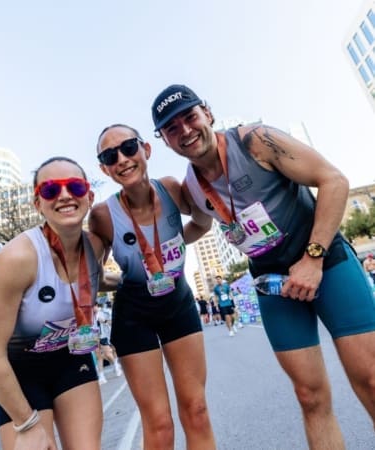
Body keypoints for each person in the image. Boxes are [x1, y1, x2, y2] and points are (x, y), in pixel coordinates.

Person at [151, 84, 375, 448]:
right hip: (273, 282)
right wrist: (165, 252)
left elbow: (334, 180)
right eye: (172, 128)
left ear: (207, 113)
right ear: (164, 140)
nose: (185, 131)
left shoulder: (256, 141)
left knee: (370, 378)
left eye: (189, 117)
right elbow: (201, 225)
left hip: (324, 261)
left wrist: (313, 259)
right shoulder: (192, 186)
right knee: (309, 395)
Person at [89, 124, 216, 449]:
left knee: (197, 410)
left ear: (146, 149)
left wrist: (171, 246)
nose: (122, 158)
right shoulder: (103, 215)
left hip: (179, 306)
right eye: (109, 155)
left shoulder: (172, 189)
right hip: (135, 315)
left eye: (129, 147)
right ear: (105, 168)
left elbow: (202, 223)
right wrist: (128, 277)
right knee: (159, 424)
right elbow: (95, 277)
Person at [0, 157, 115, 450]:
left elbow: (97, 279)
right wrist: (26, 425)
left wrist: (136, 278)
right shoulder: (17, 259)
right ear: (37, 203)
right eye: (51, 189)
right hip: (21, 375)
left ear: (89, 197)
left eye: (75, 186)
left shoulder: (95, 246)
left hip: (71, 361)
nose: (65, 195)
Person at [94, 301, 122, 384]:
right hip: (95, 338)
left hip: (105, 335)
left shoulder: (105, 312)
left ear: (96, 305)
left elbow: (113, 322)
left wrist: (105, 321)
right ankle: (101, 376)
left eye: (92, 306)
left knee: (108, 353)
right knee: (99, 356)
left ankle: (116, 365)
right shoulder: (89, 316)